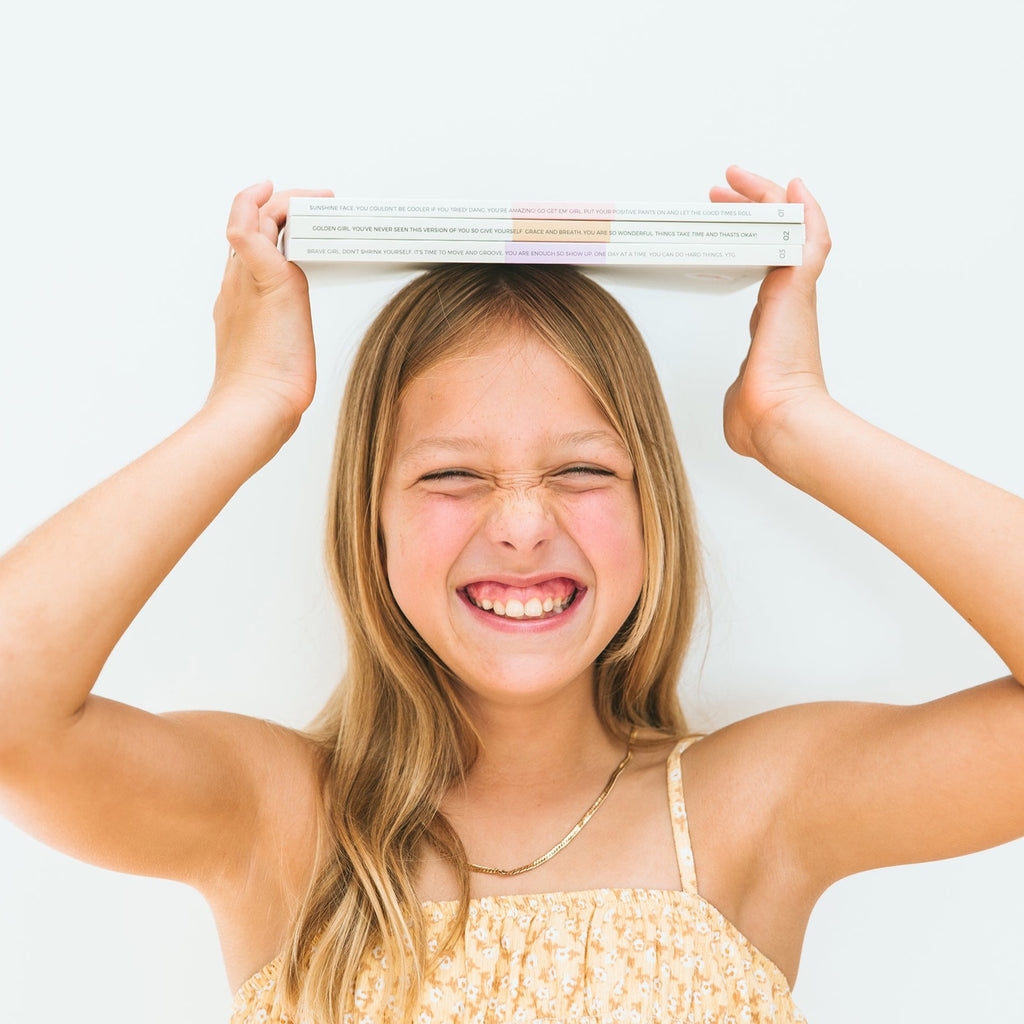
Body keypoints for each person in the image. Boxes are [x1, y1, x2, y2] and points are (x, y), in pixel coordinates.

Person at [1, 166, 1022, 1024]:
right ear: (373, 521)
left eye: (582, 472)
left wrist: (794, 419)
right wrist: (247, 409)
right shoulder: (280, 821)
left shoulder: (752, 811)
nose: (524, 525)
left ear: (651, 504)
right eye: (452, 476)